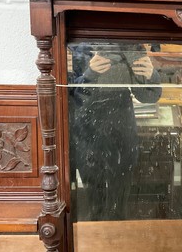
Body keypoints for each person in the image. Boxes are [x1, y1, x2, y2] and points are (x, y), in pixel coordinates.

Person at [68, 42, 161, 221]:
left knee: (120, 204)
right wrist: (89, 75)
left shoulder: (128, 45)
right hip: (87, 132)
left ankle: (118, 241)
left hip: (122, 130)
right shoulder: (78, 47)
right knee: (94, 203)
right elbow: (69, 96)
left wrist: (151, 76)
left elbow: (148, 97)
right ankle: (96, 242)